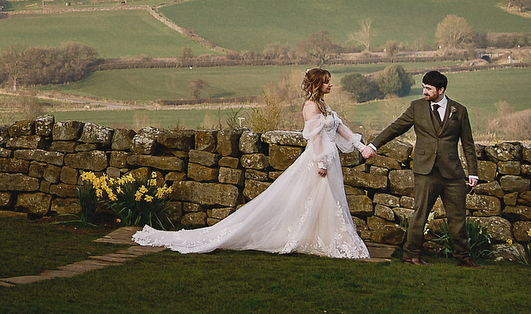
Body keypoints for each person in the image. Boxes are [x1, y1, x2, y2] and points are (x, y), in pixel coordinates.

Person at [132, 68, 374, 259]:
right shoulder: (311, 106)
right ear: (316, 85)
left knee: (327, 201)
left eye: (329, 81)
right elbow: (316, 139)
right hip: (319, 161)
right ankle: (315, 237)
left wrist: (360, 146)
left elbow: (340, 127)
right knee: (315, 199)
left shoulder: (324, 105)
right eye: (326, 81)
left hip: (330, 160)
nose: (330, 85)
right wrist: (321, 162)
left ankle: (321, 236)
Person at [370, 69, 479, 267]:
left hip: (452, 172)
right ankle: (411, 255)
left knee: (457, 217)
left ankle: (463, 258)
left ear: (441, 89)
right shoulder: (416, 107)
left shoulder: (459, 110)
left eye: (428, 88)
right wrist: (373, 145)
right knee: (420, 214)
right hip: (425, 170)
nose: (424, 91)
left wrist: (473, 172)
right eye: (423, 87)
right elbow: (396, 127)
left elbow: (468, 143)